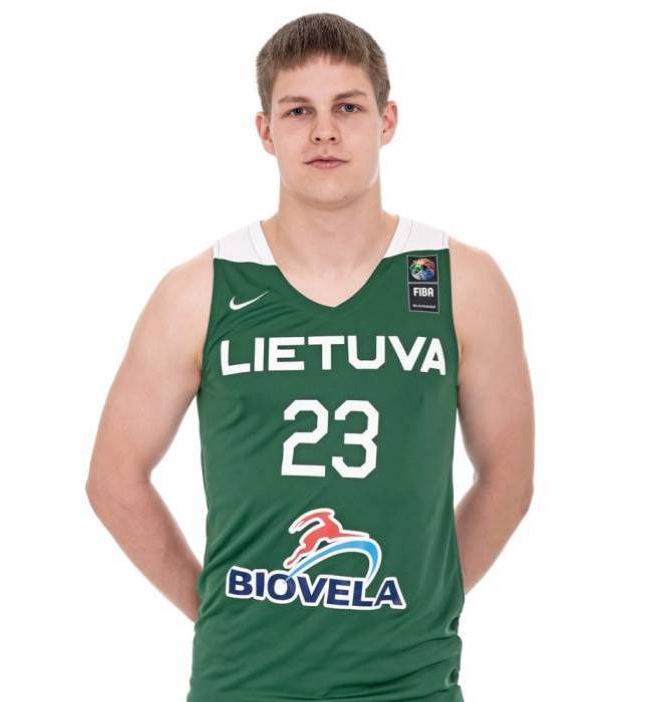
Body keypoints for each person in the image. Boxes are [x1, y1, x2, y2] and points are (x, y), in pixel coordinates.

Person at [86, 12, 534, 702]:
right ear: (266, 131)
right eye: (298, 110)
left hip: (409, 684)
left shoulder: (460, 281)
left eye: (347, 107)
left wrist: (423, 604)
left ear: (387, 121)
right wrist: (218, 612)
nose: (324, 131)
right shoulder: (200, 290)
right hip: (242, 683)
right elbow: (114, 479)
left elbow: (509, 478)